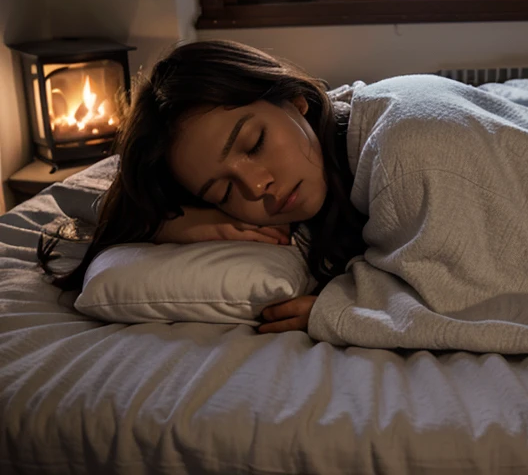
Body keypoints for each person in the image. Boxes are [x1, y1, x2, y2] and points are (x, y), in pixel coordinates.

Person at [49, 40, 366, 333]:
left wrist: (350, 311)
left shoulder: (388, 146)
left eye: (254, 144)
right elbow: (85, 201)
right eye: (224, 192)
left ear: (294, 101)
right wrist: (176, 225)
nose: (256, 187)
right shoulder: (310, 196)